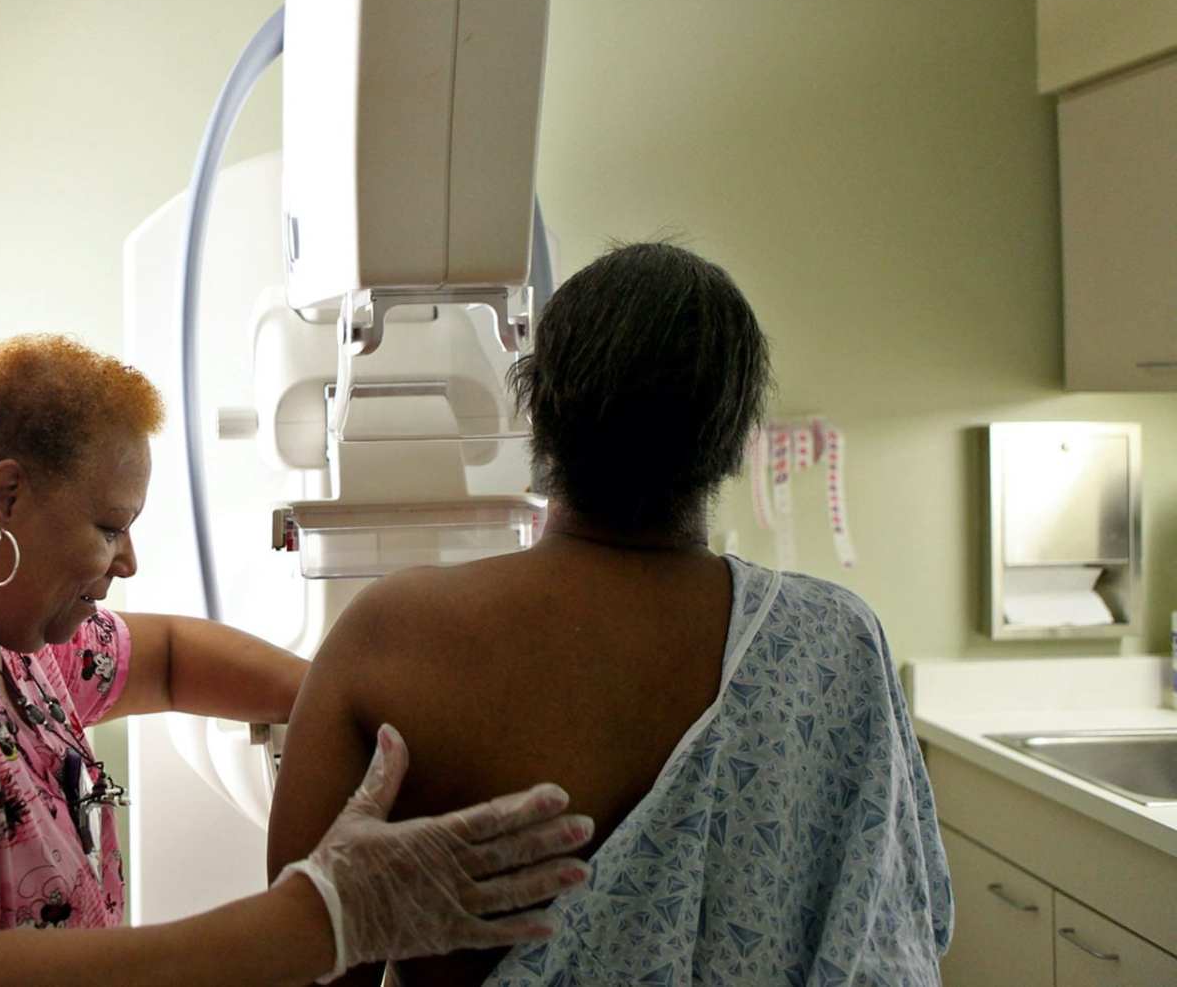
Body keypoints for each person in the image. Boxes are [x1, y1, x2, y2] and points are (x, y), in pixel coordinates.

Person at [0, 333, 593, 987]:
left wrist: (346, 708)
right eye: (109, 527)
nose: (128, 562)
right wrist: (320, 919)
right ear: (3, 497)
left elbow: (164, 657)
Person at [267, 242, 954, 985]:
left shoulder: (392, 637)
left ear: (537, 404)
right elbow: (901, 933)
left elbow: (295, 965)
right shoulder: (834, 646)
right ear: (732, 437)